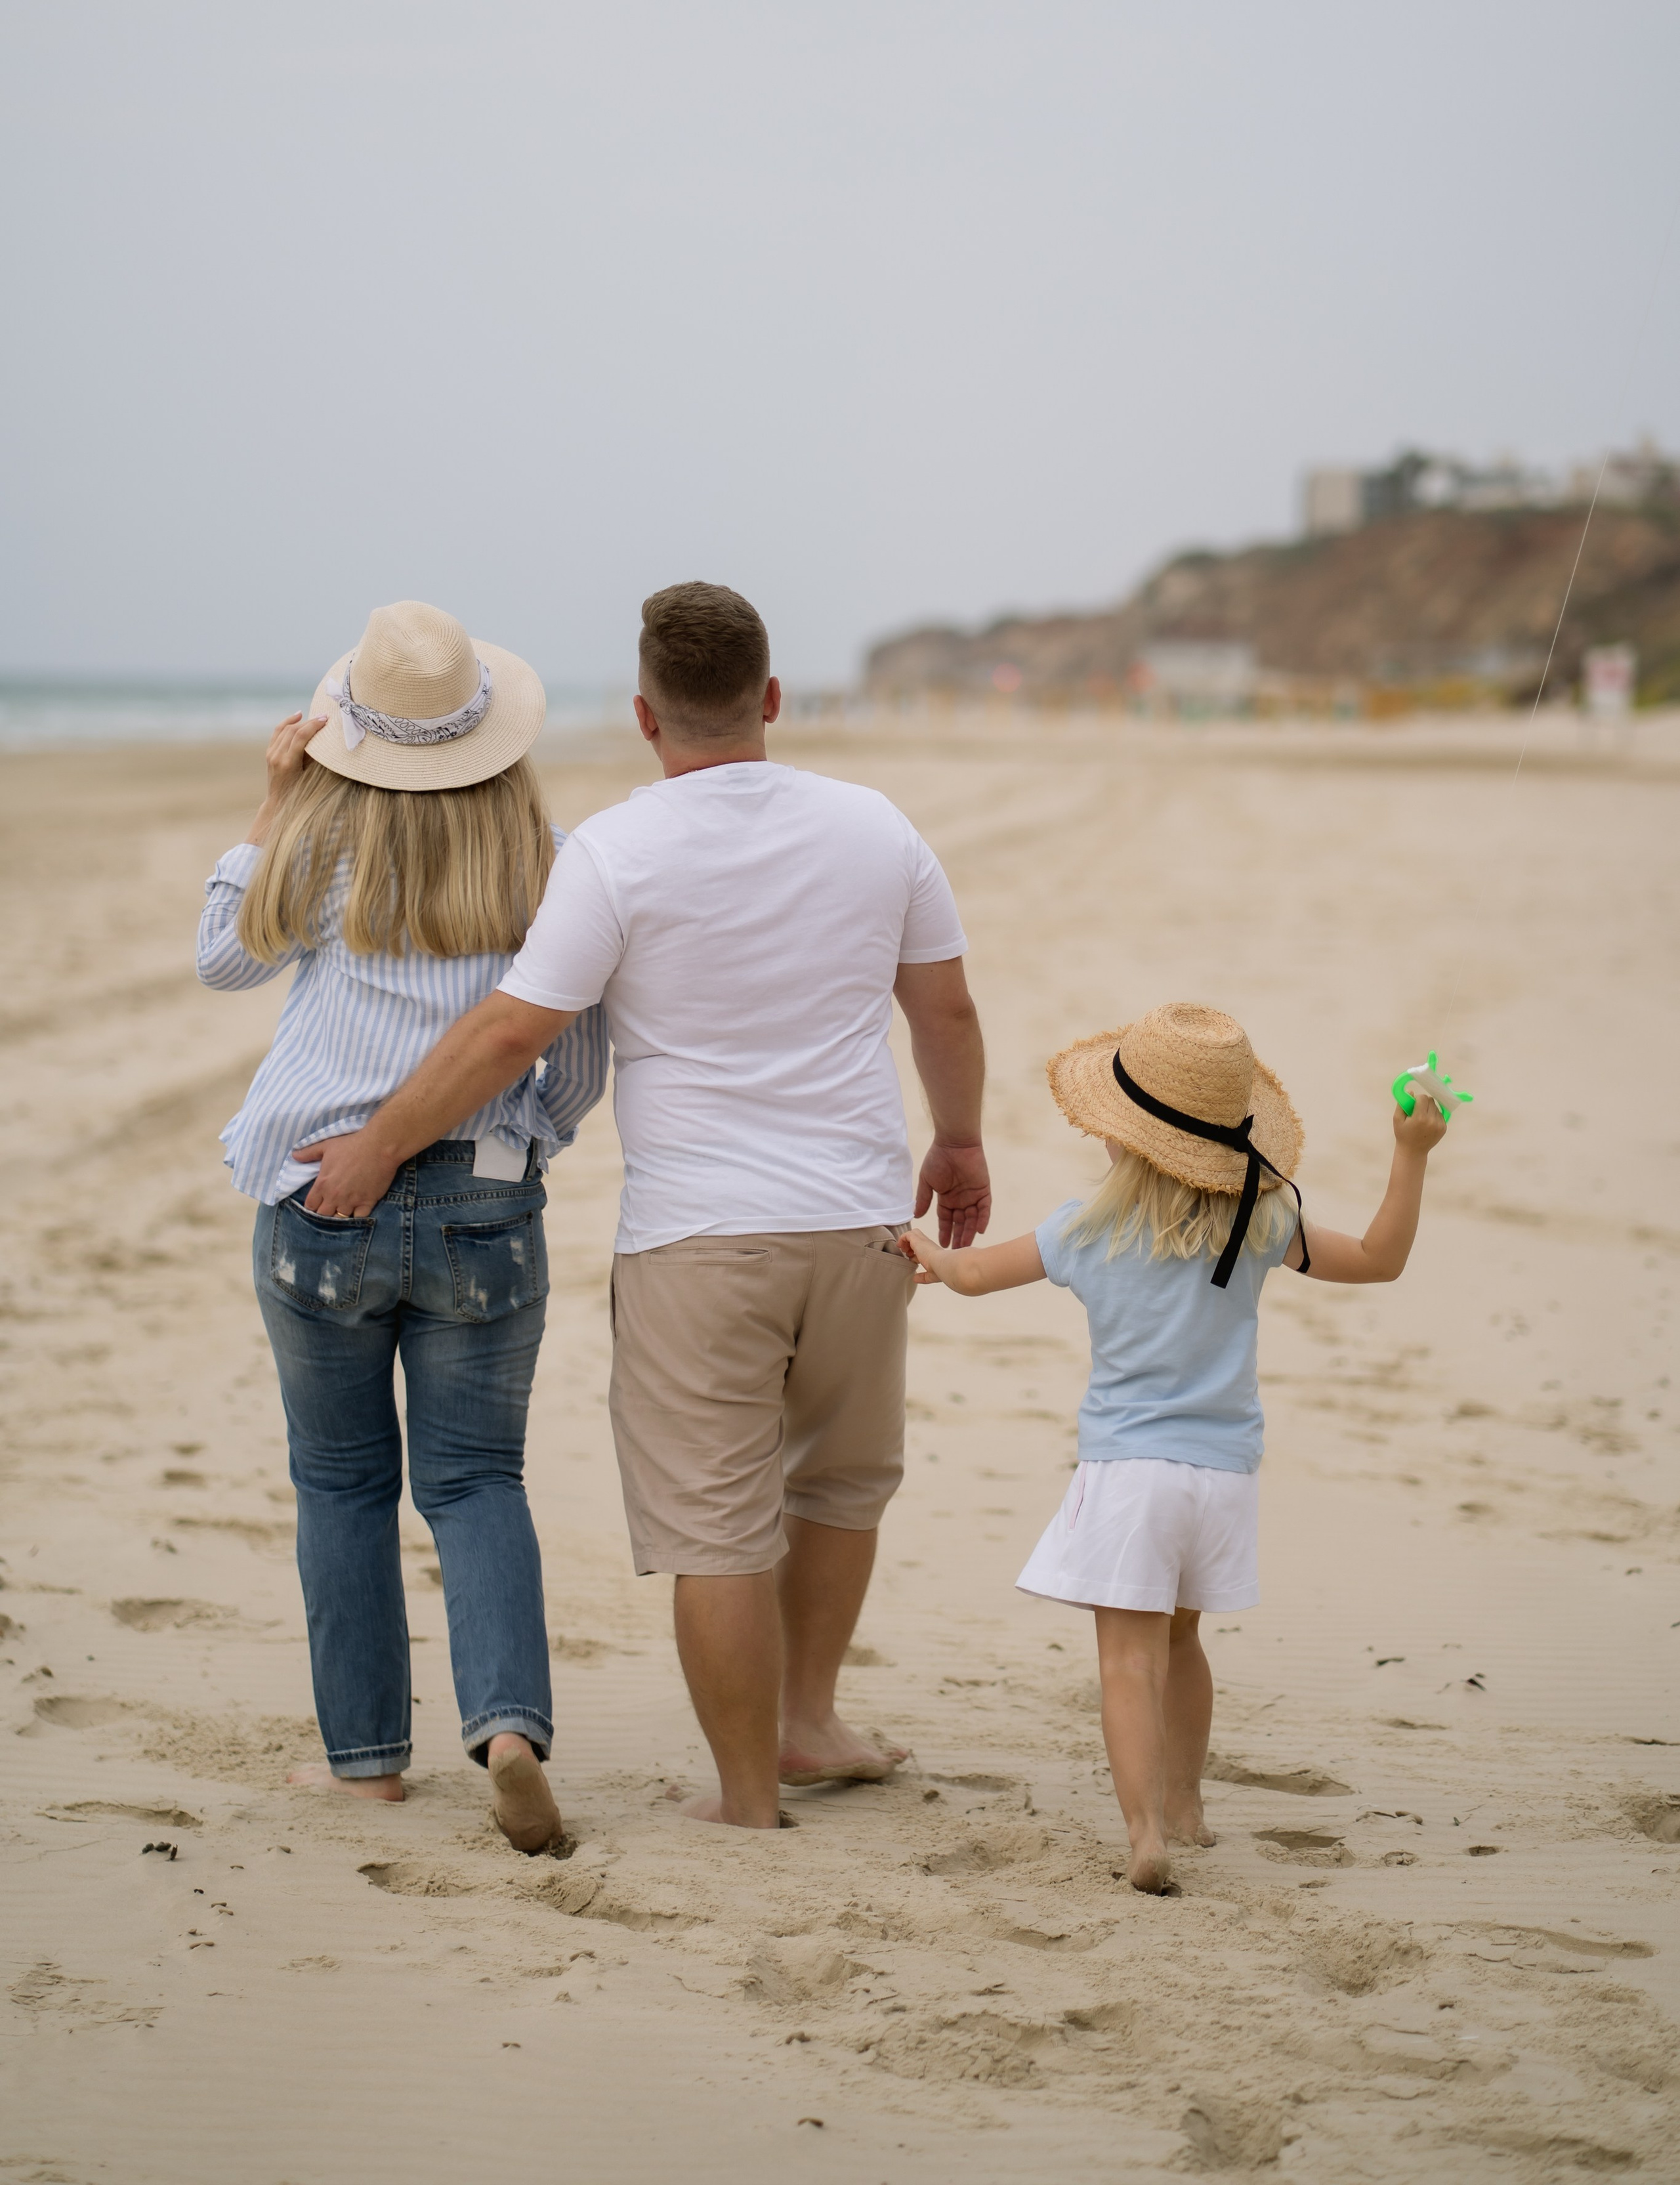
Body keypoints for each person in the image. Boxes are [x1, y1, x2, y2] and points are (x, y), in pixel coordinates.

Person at [294, 580, 990, 1829]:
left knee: (717, 1526)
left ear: (644, 716)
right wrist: (960, 1142)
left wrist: (381, 1144)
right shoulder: (878, 827)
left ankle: (744, 1799)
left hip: (700, 1239)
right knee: (836, 1486)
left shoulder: (619, 848)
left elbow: (514, 1029)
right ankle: (807, 1724)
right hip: (858, 1222)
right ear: (771, 699)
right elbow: (942, 1008)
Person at [196, 600, 608, 1852]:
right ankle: (510, 1731)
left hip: (319, 1197)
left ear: (345, 737)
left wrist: (272, 798)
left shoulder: (319, 846)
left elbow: (225, 957)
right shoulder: (545, 862)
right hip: (484, 1198)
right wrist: (525, 1141)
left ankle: (367, 1763)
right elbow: (577, 1057)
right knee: (480, 1479)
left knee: (341, 1482)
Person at [899, 1000, 1450, 1896]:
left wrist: (920, 1248)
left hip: (1129, 1478)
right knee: (1185, 1646)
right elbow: (1383, 1258)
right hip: (1223, 1481)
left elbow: (967, 1276)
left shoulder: (1087, 1229)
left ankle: (1144, 1832)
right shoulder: (1263, 1223)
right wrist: (1411, 1152)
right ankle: (1188, 1807)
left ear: (1119, 1137)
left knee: (1126, 1659)